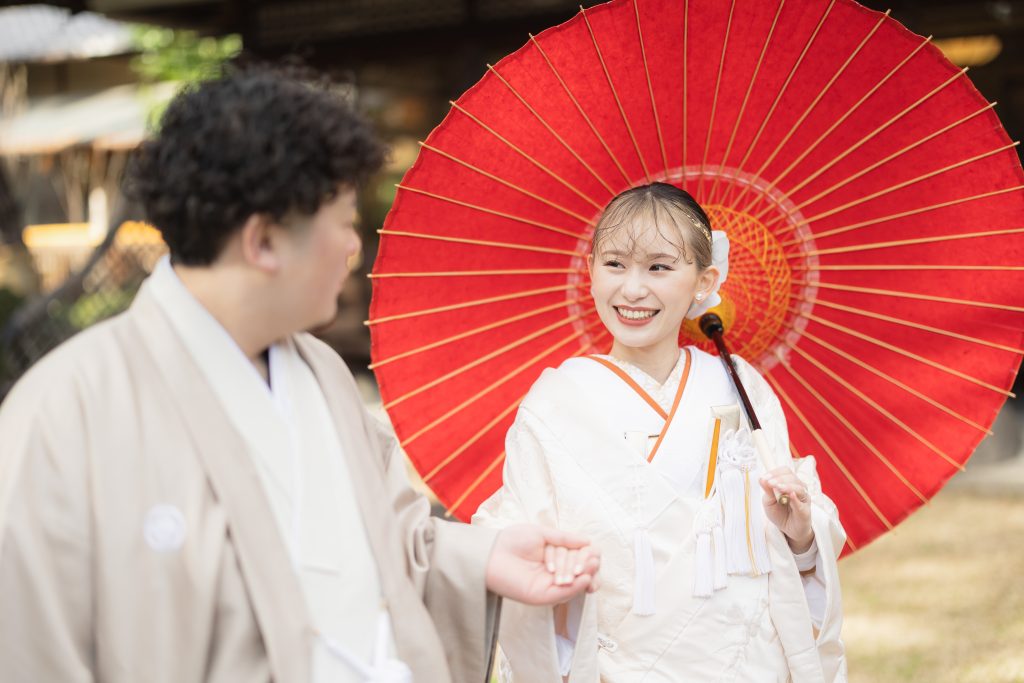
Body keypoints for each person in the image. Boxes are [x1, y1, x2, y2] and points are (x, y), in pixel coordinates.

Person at [0, 65, 600, 683]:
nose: (354, 248)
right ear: (263, 242)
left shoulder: (319, 374)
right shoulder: (64, 414)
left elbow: (386, 539)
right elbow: (32, 648)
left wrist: (487, 557)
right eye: (343, 222)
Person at [473, 182, 846, 682]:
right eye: (614, 264)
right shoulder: (555, 406)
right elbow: (514, 542)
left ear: (704, 280)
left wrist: (800, 530)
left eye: (659, 266)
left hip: (745, 661)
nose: (632, 289)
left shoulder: (742, 389)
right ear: (591, 272)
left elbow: (795, 550)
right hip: (613, 665)